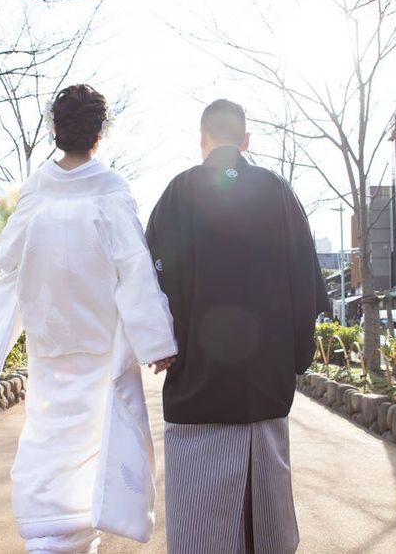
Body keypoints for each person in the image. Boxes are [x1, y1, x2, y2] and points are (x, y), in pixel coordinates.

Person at [0, 85, 177, 553]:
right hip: (98, 342)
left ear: (55, 130)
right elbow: (135, 269)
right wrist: (157, 342)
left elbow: (9, 255)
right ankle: (78, 534)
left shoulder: (35, 189)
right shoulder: (111, 190)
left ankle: (45, 534)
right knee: (96, 437)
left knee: (45, 432)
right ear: (99, 135)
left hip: (48, 340)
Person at [146, 99, 329, 554]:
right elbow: (306, 278)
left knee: (199, 526)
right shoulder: (277, 192)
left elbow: (151, 280)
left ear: (202, 138)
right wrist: (295, 356)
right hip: (264, 385)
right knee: (265, 528)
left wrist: (159, 343)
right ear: (246, 140)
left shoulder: (179, 192)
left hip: (198, 385)